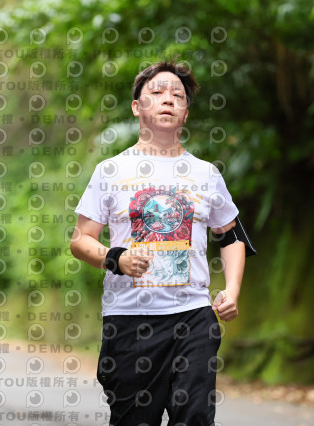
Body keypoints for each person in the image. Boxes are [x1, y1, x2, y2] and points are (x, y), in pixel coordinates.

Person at [71, 60, 256, 426]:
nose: (168, 99)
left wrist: (232, 289)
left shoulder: (206, 174)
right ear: (136, 107)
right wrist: (116, 258)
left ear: (185, 113)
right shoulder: (110, 171)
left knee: (195, 417)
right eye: (156, 92)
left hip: (193, 316)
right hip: (129, 320)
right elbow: (80, 240)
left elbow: (232, 234)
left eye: (178, 95)